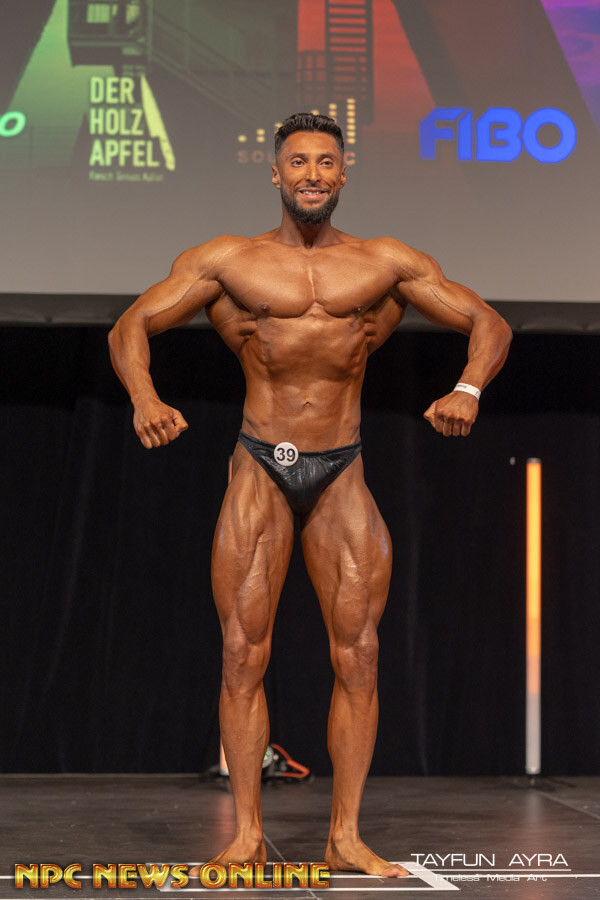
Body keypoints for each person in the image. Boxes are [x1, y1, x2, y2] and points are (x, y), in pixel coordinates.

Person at [108, 112, 512, 878]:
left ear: (344, 172)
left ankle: (346, 837)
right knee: (241, 653)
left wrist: (467, 388)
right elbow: (130, 326)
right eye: (298, 162)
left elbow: (486, 322)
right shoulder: (228, 261)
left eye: (326, 162)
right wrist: (144, 398)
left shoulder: (385, 262)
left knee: (360, 655)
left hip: (341, 470)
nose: (313, 175)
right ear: (275, 173)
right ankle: (245, 836)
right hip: (261, 465)